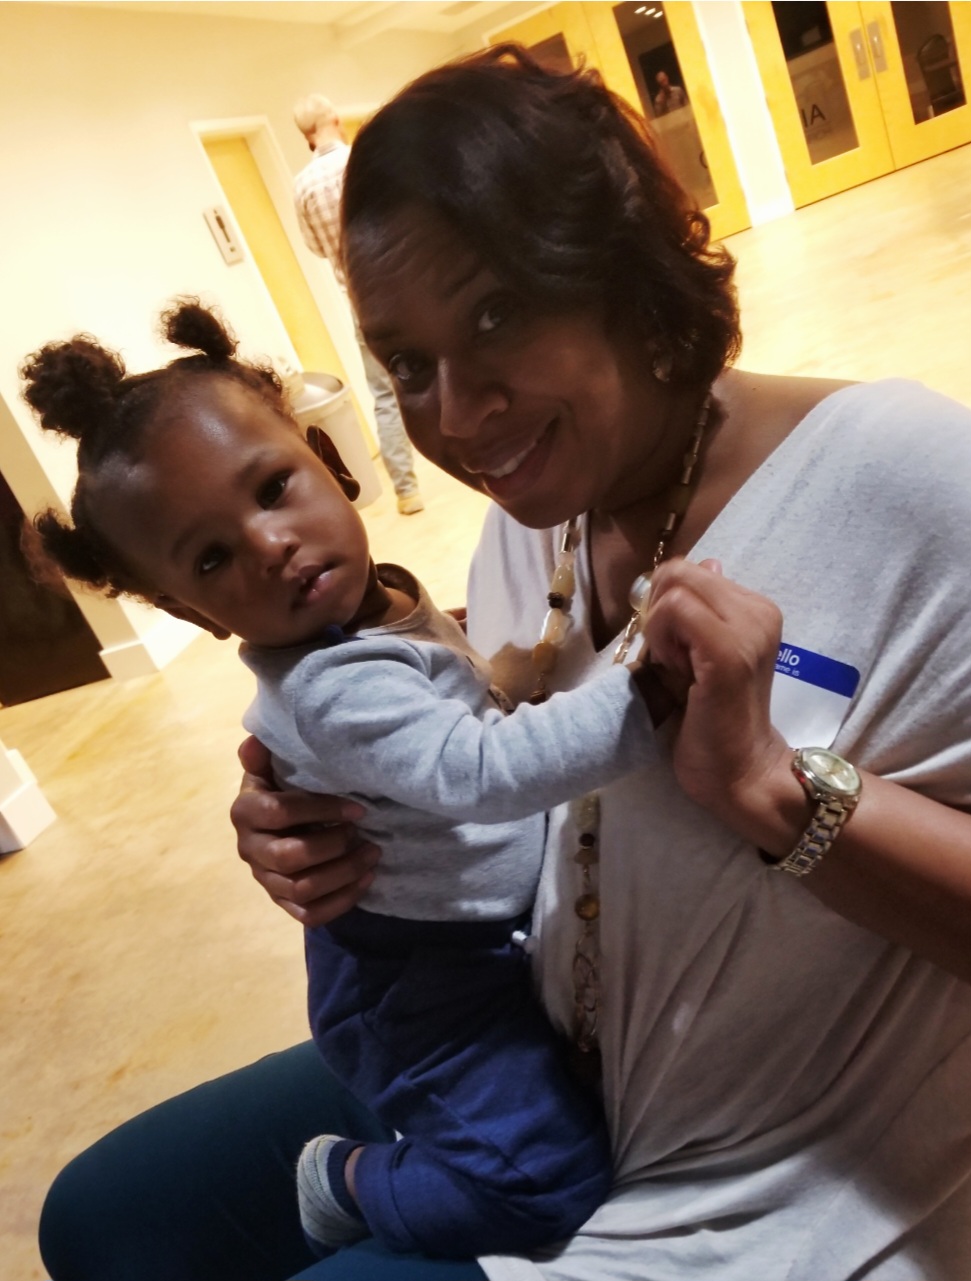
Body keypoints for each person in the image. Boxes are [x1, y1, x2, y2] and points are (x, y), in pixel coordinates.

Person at [38, 44, 971, 1281]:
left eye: (496, 315)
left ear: (619, 270)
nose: (457, 416)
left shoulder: (913, 482)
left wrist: (771, 792)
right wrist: (322, 821)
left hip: (754, 1176)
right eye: (407, 364)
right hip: (512, 1033)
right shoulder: (531, 517)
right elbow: (485, 748)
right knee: (100, 1219)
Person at [22, 298, 666, 1259]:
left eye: (272, 487)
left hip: (466, 944)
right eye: (212, 557)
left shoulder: (378, 601)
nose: (268, 544)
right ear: (190, 611)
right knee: (544, 1182)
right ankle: (353, 1181)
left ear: (324, 455)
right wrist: (647, 695)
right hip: (423, 983)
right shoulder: (333, 684)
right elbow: (478, 768)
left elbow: (455, 690)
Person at [293, 93, 424, 516]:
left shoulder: (303, 187)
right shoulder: (364, 160)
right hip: (410, 285)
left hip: (363, 302)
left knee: (385, 394)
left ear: (306, 136)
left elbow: (316, 247)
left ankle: (407, 491)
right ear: (334, 119)